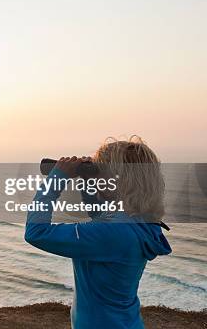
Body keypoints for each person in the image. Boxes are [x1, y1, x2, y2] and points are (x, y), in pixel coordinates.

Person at [24, 136, 171, 329]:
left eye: (99, 170)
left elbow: (36, 232)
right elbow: (101, 216)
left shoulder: (113, 232)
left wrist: (55, 180)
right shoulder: (139, 221)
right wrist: (89, 181)